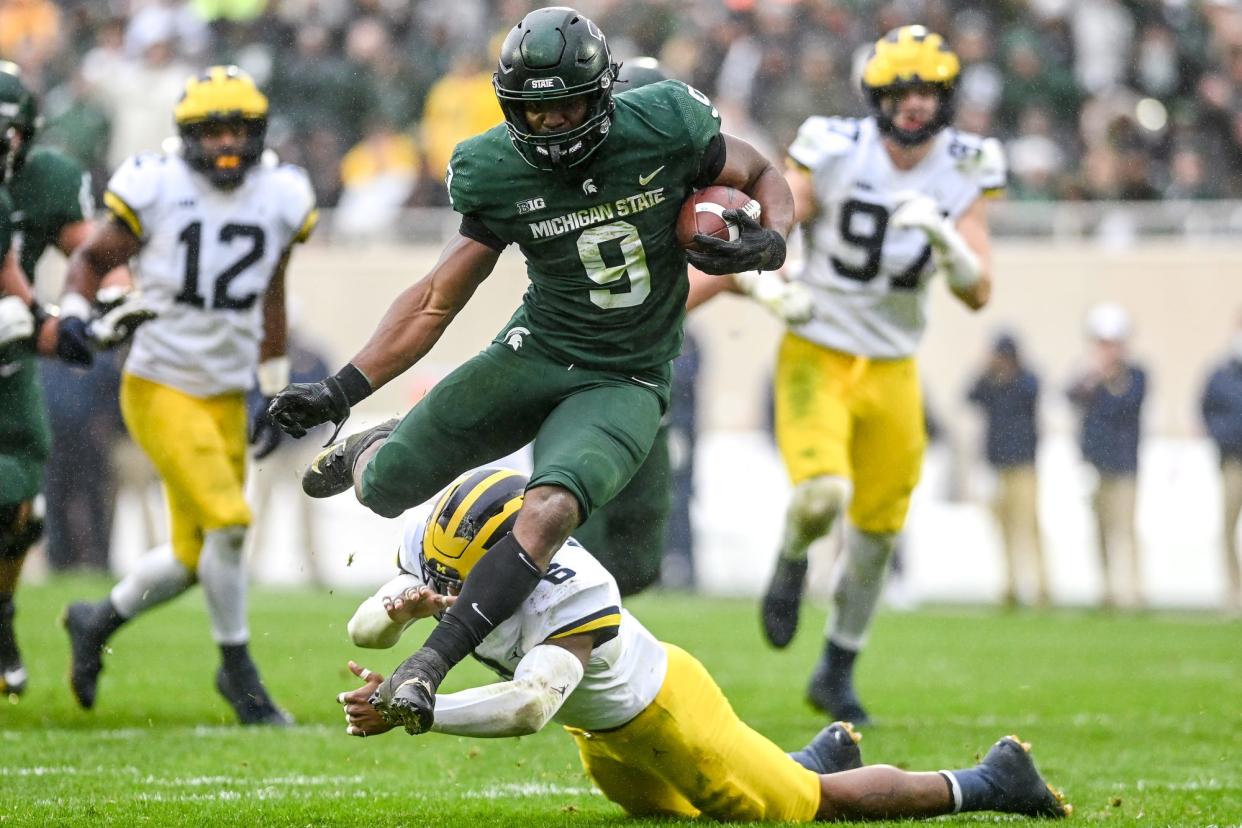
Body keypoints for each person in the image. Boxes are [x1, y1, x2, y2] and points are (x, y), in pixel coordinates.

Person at [268, 7, 795, 735]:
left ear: (603, 94)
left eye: (566, 106)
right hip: (538, 350)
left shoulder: (666, 124)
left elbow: (764, 171)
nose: (550, 125)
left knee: (549, 510)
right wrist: (341, 389)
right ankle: (370, 442)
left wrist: (773, 240)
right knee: (384, 490)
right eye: (533, 111)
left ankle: (428, 665)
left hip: (625, 376)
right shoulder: (493, 167)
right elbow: (434, 299)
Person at [337, 467, 1070, 822]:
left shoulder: (576, 591)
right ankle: (810, 755)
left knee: (805, 809)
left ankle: (988, 782)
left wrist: (422, 710)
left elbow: (529, 706)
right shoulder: (436, 542)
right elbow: (364, 627)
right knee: (672, 821)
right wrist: (401, 612)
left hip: (670, 717)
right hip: (600, 737)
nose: (460, 592)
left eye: (472, 580)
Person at [755, 26, 1004, 724]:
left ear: (946, 96)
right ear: (876, 95)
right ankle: (791, 556)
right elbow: (779, 219)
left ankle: (837, 667)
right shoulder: (836, 147)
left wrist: (945, 237)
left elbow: (979, 290)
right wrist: (771, 278)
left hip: (894, 365)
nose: (915, 105)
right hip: (818, 349)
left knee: (877, 534)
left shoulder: (965, 165)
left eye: (927, 91)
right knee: (821, 496)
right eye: (901, 91)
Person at [60, 66, 317, 724]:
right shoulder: (157, 185)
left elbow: (273, 291)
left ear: (260, 133)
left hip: (229, 390)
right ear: (188, 135)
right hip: (160, 383)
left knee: (195, 552)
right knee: (230, 524)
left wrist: (271, 384)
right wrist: (74, 313)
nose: (228, 144)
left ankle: (97, 620)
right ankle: (240, 676)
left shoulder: (283, 193)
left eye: (240, 129)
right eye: (214, 130)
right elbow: (90, 259)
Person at [0, 61, 148, 698]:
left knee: (14, 504)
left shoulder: (37, 185)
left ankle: (2, 618)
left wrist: (106, 309)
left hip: (8, 355)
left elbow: (90, 258)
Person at [1067, 303, 1146, 610]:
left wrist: (1107, 379)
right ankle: (1107, 590)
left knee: (1125, 528)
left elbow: (1125, 407)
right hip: (1095, 463)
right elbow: (1069, 396)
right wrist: (1092, 376)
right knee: (1099, 530)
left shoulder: (1136, 375)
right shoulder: (1087, 375)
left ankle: (1133, 589)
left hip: (1125, 464)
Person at [967, 332, 1049, 607]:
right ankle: (1010, 584)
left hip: (1023, 465)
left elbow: (1029, 394)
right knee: (1002, 528)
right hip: (996, 466)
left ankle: (1041, 586)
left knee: (1028, 525)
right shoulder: (989, 383)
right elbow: (969, 396)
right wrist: (984, 371)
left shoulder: (1026, 380)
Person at [1201, 312, 1242, 613]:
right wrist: (1224, 435)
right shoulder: (1221, 373)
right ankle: (1234, 592)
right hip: (1233, 461)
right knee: (1228, 527)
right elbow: (1205, 409)